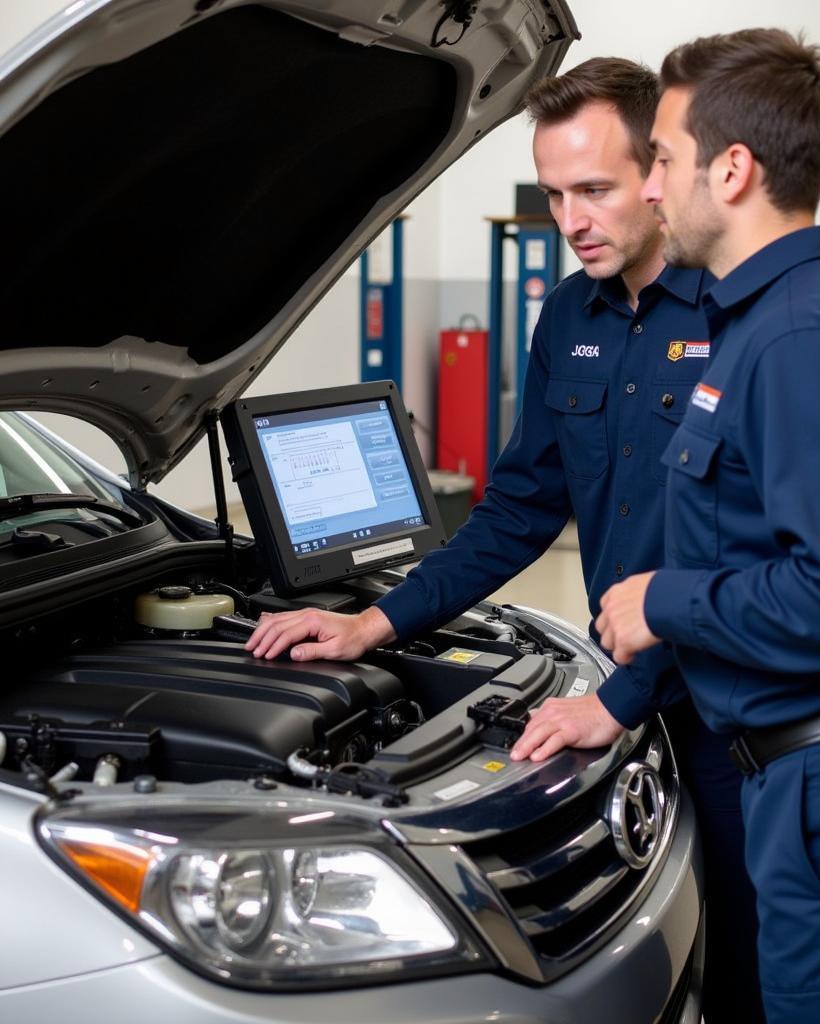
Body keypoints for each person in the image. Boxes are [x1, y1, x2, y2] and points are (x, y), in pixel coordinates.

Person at [247, 57, 764, 1022]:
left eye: (595, 190)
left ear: (657, 173)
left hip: (740, 719)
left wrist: (617, 698)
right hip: (640, 699)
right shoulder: (568, 315)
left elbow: (741, 554)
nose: (571, 220)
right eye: (555, 193)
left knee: (751, 973)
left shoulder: (741, 312)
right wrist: (375, 623)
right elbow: (519, 508)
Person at [516, 28, 820, 1024]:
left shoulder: (797, 337)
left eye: (659, 157)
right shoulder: (786, 315)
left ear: (731, 170)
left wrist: (666, 598)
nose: (650, 188)